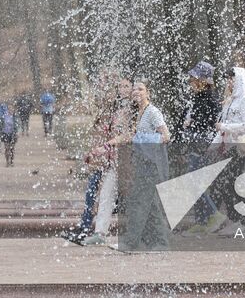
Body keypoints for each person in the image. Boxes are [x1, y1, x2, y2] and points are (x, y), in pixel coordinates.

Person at [111, 81, 172, 252]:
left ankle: (131, 243)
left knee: (138, 202)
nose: (136, 91)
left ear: (148, 93)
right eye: (134, 89)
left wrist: (142, 140)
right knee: (150, 205)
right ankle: (160, 242)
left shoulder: (153, 112)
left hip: (152, 165)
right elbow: (131, 136)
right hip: (142, 164)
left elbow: (166, 136)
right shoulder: (138, 113)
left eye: (141, 89)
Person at [202, 66, 245, 232]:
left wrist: (225, 126)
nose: (229, 82)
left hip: (240, 148)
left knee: (236, 184)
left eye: (232, 79)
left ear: (239, 79)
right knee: (225, 184)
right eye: (228, 79)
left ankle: (243, 222)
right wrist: (212, 147)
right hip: (226, 148)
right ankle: (234, 219)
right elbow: (222, 129)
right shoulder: (230, 100)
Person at [81, 77, 135, 246]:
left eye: (127, 86)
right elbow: (108, 135)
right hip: (114, 161)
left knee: (135, 197)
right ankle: (100, 233)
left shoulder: (135, 110)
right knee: (105, 195)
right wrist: (100, 151)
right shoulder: (115, 110)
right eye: (120, 86)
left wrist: (106, 145)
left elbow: (130, 134)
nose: (123, 89)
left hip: (129, 161)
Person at [177, 61, 222, 230]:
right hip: (194, 144)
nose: (190, 82)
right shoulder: (195, 97)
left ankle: (213, 213)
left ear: (203, 80)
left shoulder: (211, 98)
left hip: (203, 145)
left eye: (193, 78)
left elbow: (214, 122)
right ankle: (201, 221)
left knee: (194, 180)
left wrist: (193, 122)